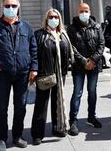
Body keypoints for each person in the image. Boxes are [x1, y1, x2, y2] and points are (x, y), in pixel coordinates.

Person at [0, 0, 38, 151]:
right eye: (7, 6)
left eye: (13, 6)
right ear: (2, 7)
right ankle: (1, 139)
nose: (11, 9)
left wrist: (34, 68)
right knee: (1, 107)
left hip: (22, 73)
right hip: (3, 74)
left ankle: (18, 136)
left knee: (20, 106)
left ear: (18, 7)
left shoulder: (26, 26)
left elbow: (33, 49)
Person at [31, 9, 74, 145]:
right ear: (46, 19)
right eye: (51, 17)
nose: (53, 19)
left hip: (60, 74)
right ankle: (37, 134)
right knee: (41, 104)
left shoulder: (63, 34)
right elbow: (34, 54)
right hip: (45, 74)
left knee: (58, 101)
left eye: (56, 17)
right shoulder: (39, 34)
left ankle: (58, 127)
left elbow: (69, 51)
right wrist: (34, 70)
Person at [67, 3, 105, 135]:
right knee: (77, 93)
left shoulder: (97, 26)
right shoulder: (72, 28)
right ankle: (73, 120)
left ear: (90, 11)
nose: (84, 13)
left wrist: (93, 60)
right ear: (77, 12)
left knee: (92, 91)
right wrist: (84, 61)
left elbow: (101, 44)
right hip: (79, 66)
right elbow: (72, 47)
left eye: (86, 10)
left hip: (93, 65)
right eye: (81, 11)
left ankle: (91, 117)